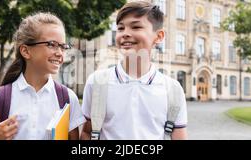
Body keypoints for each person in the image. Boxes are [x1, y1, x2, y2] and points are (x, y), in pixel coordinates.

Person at [80, 1, 188, 140]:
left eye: (136, 27)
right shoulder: (97, 82)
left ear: (159, 36)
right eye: (120, 28)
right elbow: (87, 132)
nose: (125, 34)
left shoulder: (173, 90)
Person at [0, 12, 85, 140]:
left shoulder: (68, 98)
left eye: (63, 46)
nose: (60, 53)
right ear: (26, 51)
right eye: (51, 44)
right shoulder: (0, 98)